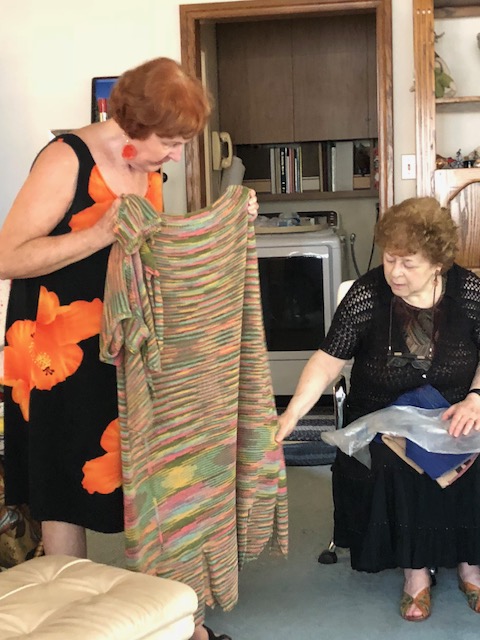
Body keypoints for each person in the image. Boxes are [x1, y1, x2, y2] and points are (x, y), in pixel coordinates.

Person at [0, 57, 258, 640]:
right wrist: (97, 233)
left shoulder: (150, 167)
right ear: (131, 126)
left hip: (120, 343)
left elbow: (150, 248)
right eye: (170, 143)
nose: (177, 157)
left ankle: (170, 616)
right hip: (54, 348)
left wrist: (223, 229)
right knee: (65, 480)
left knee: (150, 469)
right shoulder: (66, 158)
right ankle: (75, 622)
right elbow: (7, 256)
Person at [276, 197, 480, 622]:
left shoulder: (469, 292)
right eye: (389, 259)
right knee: (393, 460)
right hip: (382, 415)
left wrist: (475, 398)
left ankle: (469, 562)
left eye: (408, 263)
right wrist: (292, 413)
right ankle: (415, 573)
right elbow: (328, 360)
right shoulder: (368, 293)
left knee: (472, 450)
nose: (395, 273)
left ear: (438, 263)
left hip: (453, 409)